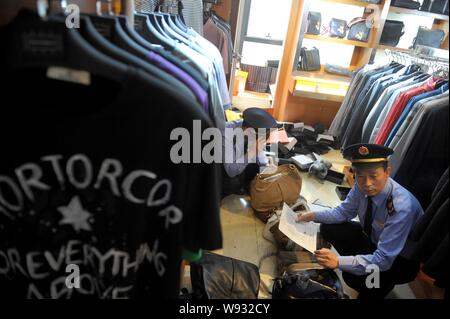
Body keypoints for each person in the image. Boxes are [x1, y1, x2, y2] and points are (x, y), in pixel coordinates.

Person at [296, 143, 424, 299]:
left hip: (398, 259)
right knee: (329, 228)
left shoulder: (401, 207)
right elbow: (343, 212)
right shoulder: (360, 185)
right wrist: (313, 215)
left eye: (373, 175)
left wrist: (339, 261)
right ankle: (360, 265)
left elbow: (383, 259)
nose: (367, 183)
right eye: (360, 176)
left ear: (387, 172)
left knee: (368, 287)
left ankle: (375, 284)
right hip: (374, 240)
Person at [221, 108, 278, 198]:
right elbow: (230, 171)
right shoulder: (226, 132)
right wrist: (252, 151)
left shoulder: (253, 129)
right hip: (215, 165)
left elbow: (260, 154)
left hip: (236, 157)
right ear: (246, 128)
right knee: (233, 183)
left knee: (256, 168)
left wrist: (267, 165)